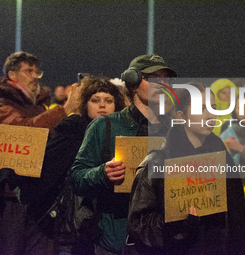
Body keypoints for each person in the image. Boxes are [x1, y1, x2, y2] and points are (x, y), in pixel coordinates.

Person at [127, 82, 245, 254]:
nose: (211, 115)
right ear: (181, 116)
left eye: (213, 108)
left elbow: (237, 221)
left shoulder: (223, 160)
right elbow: (140, 226)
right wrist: (181, 224)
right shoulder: (157, 163)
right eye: (202, 108)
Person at [71, 54, 177, 254]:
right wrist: (102, 173)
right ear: (133, 83)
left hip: (160, 241)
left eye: (165, 79)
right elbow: (77, 177)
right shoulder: (104, 126)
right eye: (154, 78)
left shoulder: (176, 129)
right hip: (114, 240)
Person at [0, 51, 81, 255]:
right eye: (28, 71)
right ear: (12, 75)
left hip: (35, 191)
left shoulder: (37, 107)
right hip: (9, 194)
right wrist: (66, 108)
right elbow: (23, 133)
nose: (35, 76)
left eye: (37, 71)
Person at [18, 75, 125, 255]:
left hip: (112, 226)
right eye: (95, 100)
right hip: (74, 226)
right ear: (85, 105)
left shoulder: (124, 136)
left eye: (108, 100)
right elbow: (45, 166)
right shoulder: (73, 131)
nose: (102, 105)